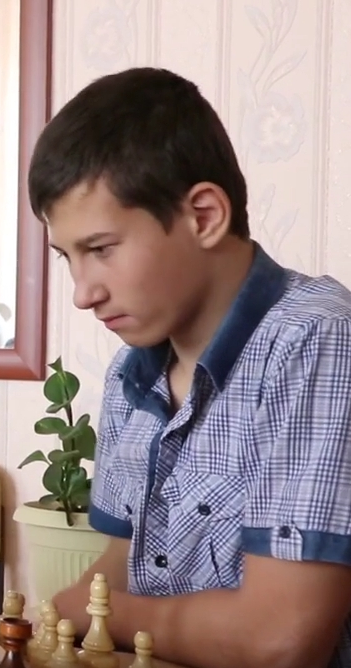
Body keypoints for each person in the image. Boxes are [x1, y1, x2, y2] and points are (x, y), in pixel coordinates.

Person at [30, 67, 351, 668]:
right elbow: (122, 568)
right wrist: (56, 617)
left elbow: (282, 641)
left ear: (203, 216)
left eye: (101, 249)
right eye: (67, 257)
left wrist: (102, 615)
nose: (82, 292)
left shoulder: (315, 340)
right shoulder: (129, 375)